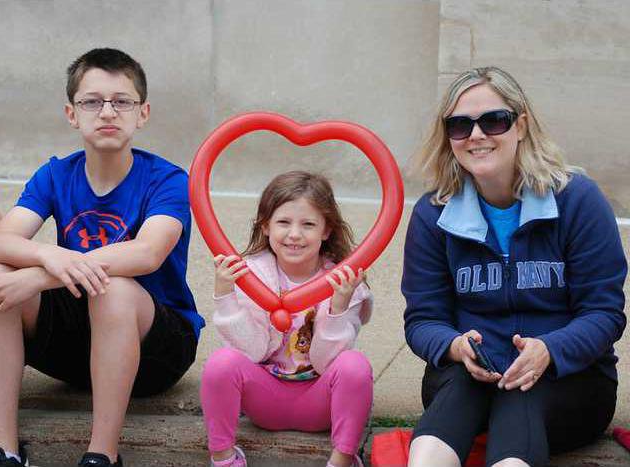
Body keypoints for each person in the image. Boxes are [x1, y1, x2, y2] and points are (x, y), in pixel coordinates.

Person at [402, 66, 626, 467]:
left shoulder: (577, 201)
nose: (476, 135)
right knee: (457, 397)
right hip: (468, 379)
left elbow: (604, 313)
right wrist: (454, 346)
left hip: (569, 381)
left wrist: (549, 350)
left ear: (520, 126)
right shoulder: (433, 214)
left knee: (521, 397)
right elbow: (423, 320)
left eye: (493, 120)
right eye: (460, 125)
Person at [0, 48, 204, 467]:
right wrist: (48, 255)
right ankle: (3, 449)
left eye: (121, 101)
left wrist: (42, 276)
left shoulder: (168, 179)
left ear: (142, 113)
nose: (107, 112)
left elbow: (147, 253)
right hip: (78, 347)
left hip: (156, 351)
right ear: (72, 114)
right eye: (92, 102)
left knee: (113, 289)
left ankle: (102, 455)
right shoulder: (56, 174)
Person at [200, 171, 373, 467]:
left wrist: (338, 307)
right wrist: (226, 295)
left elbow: (328, 363)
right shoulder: (251, 275)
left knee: (355, 365)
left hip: (321, 403)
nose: (294, 234)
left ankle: (343, 460)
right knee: (220, 362)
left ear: (326, 230)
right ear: (265, 226)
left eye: (308, 224)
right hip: (265, 400)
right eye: (283, 222)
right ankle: (224, 458)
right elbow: (251, 351)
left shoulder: (344, 282)